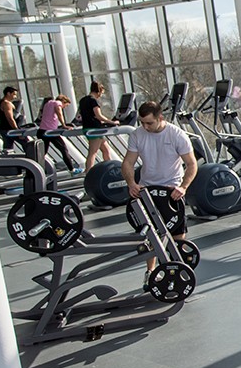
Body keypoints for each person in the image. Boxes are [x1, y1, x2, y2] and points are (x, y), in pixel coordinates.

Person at [121, 100, 198, 288]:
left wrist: (183, 187)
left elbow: (191, 164)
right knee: (151, 236)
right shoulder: (138, 134)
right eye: (142, 122)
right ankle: (151, 273)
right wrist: (131, 183)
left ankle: (178, 272)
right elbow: (128, 163)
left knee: (177, 236)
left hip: (172, 191)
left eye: (149, 123)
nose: (145, 126)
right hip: (148, 190)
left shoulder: (176, 135)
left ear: (160, 118)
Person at [80, 81, 120, 170]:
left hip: (87, 127)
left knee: (106, 150)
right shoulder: (93, 101)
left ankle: (110, 169)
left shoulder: (83, 100)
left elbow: (81, 115)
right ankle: (88, 172)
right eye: (101, 93)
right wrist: (112, 122)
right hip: (94, 130)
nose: (100, 96)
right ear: (99, 91)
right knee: (92, 152)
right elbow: (98, 116)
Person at [37, 94, 81, 174]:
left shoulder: (48, 103)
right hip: (50, 132)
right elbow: (59, 113)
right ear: (64, 101)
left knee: (42, 153)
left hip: (41, 131)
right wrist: (64, 125)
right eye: (66, 106)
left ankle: (37, 169)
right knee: (64, 149)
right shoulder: (58, 103)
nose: (64, 107)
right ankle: (72, 170)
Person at [0, 86, 28, 152]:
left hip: (3, 128)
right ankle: (32, 157)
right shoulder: (6, 104)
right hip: (10, 129)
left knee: (8, 149)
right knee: (27, 144)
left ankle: (7, 158)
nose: (15, 97)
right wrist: (17, 130)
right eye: (14, 94)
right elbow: (10, 118)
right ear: (8, 93)